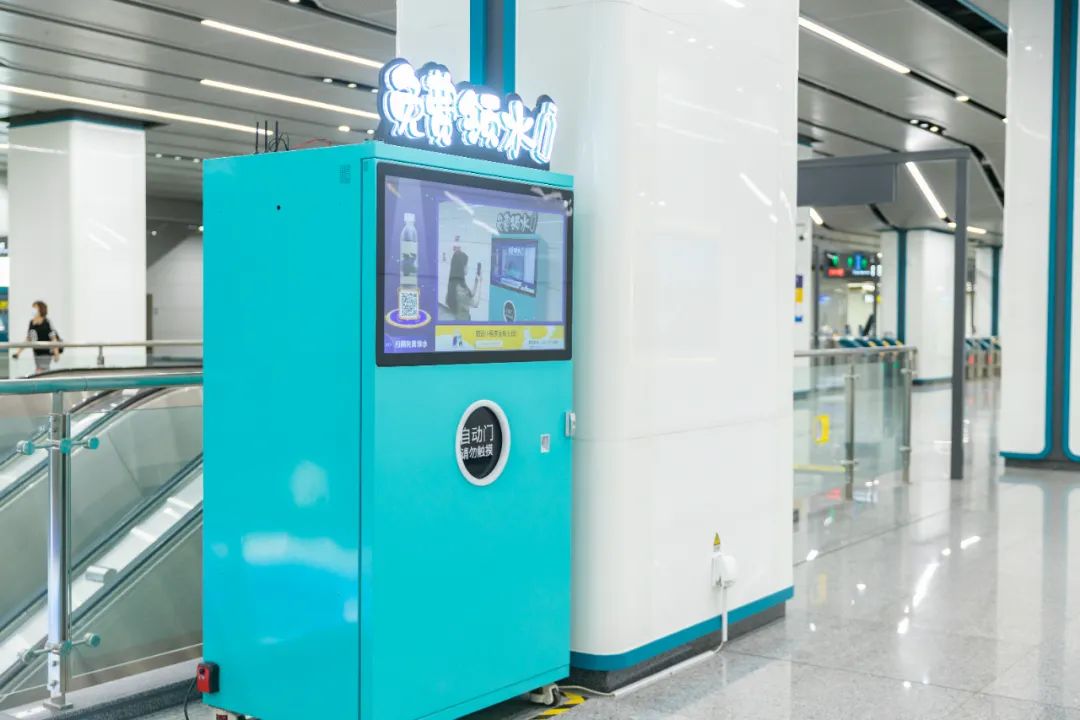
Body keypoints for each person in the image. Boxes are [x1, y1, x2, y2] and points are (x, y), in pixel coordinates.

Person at [13, 301, 60, 374]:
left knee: (43, 371)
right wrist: (18, 352)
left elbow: (53, 338)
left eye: (35, 308)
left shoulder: (47, 322)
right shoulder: (31, 322)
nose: (33, 310)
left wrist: (56, 353)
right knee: (39, 371)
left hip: (45, 354)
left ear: (40, 309)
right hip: (36, 353)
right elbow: (28, 338)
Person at [444, 247, 482, 321]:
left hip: (457, 319)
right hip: (464, 321)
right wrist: (481, 282)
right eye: (466, 265)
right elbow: (476, 304)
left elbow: (471, 294)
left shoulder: (454, 283)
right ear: (462, 267)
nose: (468, 267)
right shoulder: (462, 291)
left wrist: (476, 281)